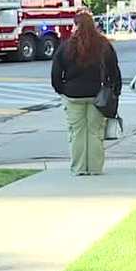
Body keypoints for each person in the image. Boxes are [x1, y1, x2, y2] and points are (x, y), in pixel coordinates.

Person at [51, 10, 121, 176]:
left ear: (76, 26)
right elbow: (114, 71)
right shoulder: (104, 45)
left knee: (77, 133)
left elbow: (55, 74)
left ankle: (79, 168)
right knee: (95, 132)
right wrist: (115, 91)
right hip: (97, 95)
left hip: (73, 95)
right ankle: (95, 168)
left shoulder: (66, 47)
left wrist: (62, 90)